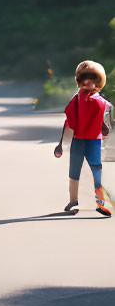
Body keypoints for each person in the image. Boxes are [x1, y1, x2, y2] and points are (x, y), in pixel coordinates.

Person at [54, 59, 112, 215]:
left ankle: (101, 202)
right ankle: (73, 200)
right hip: (78, 139)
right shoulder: (76, 100)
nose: (88, 82)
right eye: (84, 78)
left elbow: (109, 121)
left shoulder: (103, 102)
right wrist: (61, 142)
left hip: (94, 140)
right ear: (79, 81)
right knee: (74, 171)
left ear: (99, 81)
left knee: (96, 170)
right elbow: (69, 120)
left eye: (92, 78)